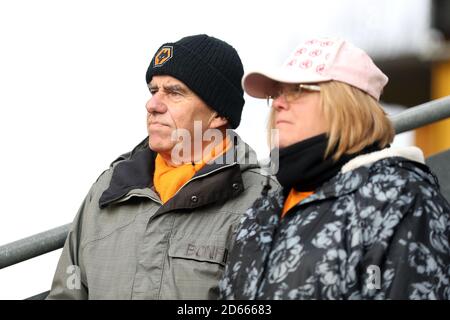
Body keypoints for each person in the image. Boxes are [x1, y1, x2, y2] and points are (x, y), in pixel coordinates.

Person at [46, 34, 278, 299]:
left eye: (174, 92)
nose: (152, 104)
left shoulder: (261, 202)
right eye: (154, 90)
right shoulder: (108, 189)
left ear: (219, 114)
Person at [219, 37, 450, 300]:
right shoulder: (262, 212)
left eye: (297, 90)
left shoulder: (402, 199)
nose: (280, 104)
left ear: (346, 104)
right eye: (277, 93)